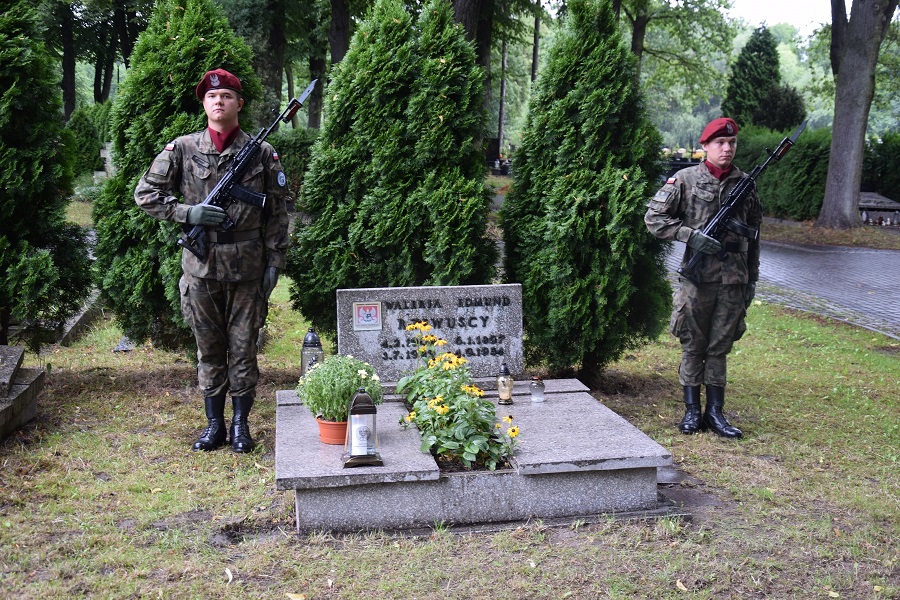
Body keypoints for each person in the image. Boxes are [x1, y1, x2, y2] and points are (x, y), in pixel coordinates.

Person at [135, 69, 290, 452]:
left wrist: (274, 263)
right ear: (204, 104)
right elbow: (146, 194)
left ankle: (240, 425)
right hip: (201, 267)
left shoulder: (262, 152)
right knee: (208, 347)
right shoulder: (183, 149)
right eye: (211, 96)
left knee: (243, 348)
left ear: (239, 103)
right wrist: (190, 214)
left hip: (248, 268)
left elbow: (279, 213)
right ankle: (214, 425)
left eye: (226, 96)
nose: (218, 101)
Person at [644, 117, 761, 439]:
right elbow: (654, 219)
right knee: (694, 344)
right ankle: (692, 410)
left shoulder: (746, 183)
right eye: (720, 143)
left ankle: (716, 413)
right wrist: (690, 236)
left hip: (734, 279)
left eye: (732, 143)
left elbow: (754, 235)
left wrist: (752, 279)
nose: (727, 148)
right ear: (705, 146)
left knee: (719, 346)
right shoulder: (684, 180)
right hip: (697, 279)